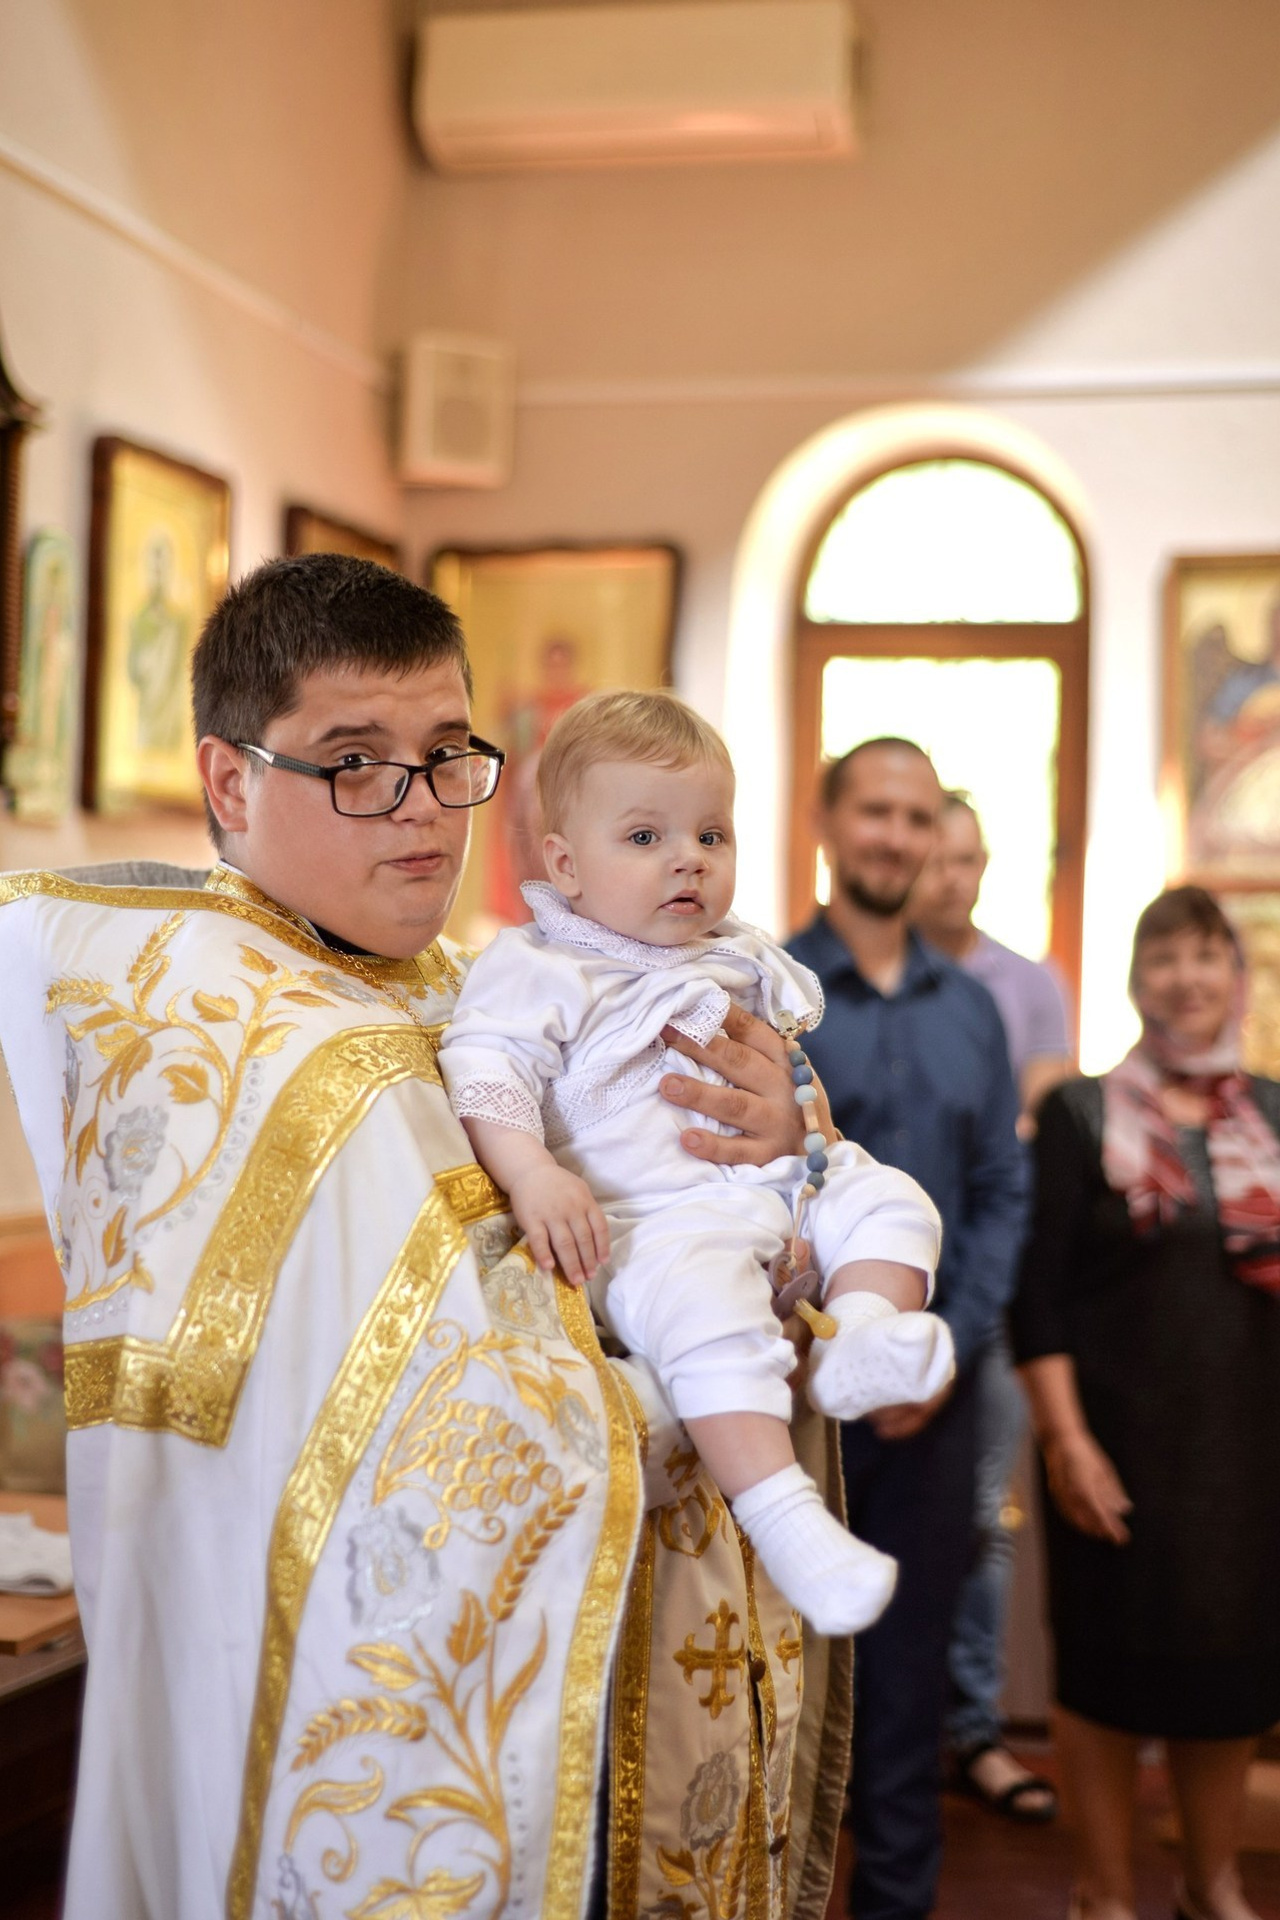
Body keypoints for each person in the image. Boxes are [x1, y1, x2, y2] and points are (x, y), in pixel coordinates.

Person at [0, 555, 850, 1920]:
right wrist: (730, 1343)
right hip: (359, 1717)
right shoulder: (251, 1031)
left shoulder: (453, 988)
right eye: (355, 762)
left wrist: (776, 1173)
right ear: (232, 785)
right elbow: (467, 1431)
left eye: (448, 755)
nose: (422, 810)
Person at [439, 690, 951, 1638]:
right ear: (565, 865)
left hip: (774, 1189)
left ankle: (864, 1338)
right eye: (644, 837)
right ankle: (787, 1520)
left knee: (893, 1199)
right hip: (655, 1224)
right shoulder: (542, 966)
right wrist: (533, 1174)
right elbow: (485, 1070)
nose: (689, 858)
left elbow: (798, 1094)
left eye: (711, 834)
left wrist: (816, 1148)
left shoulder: (735, 954)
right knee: (707, 1312)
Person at [786, 737, 1028, 1920]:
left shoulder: (973, 1013)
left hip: (932, 1411)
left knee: (904, 1694)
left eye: (914, 816)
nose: (892, 834)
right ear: (828, 822)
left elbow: (998, 1196)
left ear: (935, 840)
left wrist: (942, 1348)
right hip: (784, 1402)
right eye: (872, 810)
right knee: (769, 1682)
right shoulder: (758, 983)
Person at [1011, 885, 1280, 1920]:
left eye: (1206, 957)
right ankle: (1104, 1892)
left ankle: (1210, 1886)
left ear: (1236, 978)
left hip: (1246, 1453)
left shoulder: (1272, 1109)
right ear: (1134, 982)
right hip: (1112, 1441)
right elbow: (1034, 1296)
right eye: (1164, 958)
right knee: (1103, 1683)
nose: (1187, 978)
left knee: (1229, 1681)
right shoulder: (1082, 1113)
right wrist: (1064, 1440)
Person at [909, 791, 1073, 1823]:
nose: (950, 876)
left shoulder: (1026, 985)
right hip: (874, 1284)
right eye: (938, 855)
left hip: (988, 1279)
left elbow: (1035, 1118)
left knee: (981, 1520)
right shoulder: (852, 979)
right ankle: (868, 1724)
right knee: (863, 1511)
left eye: (970, 859)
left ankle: (969, 1731)